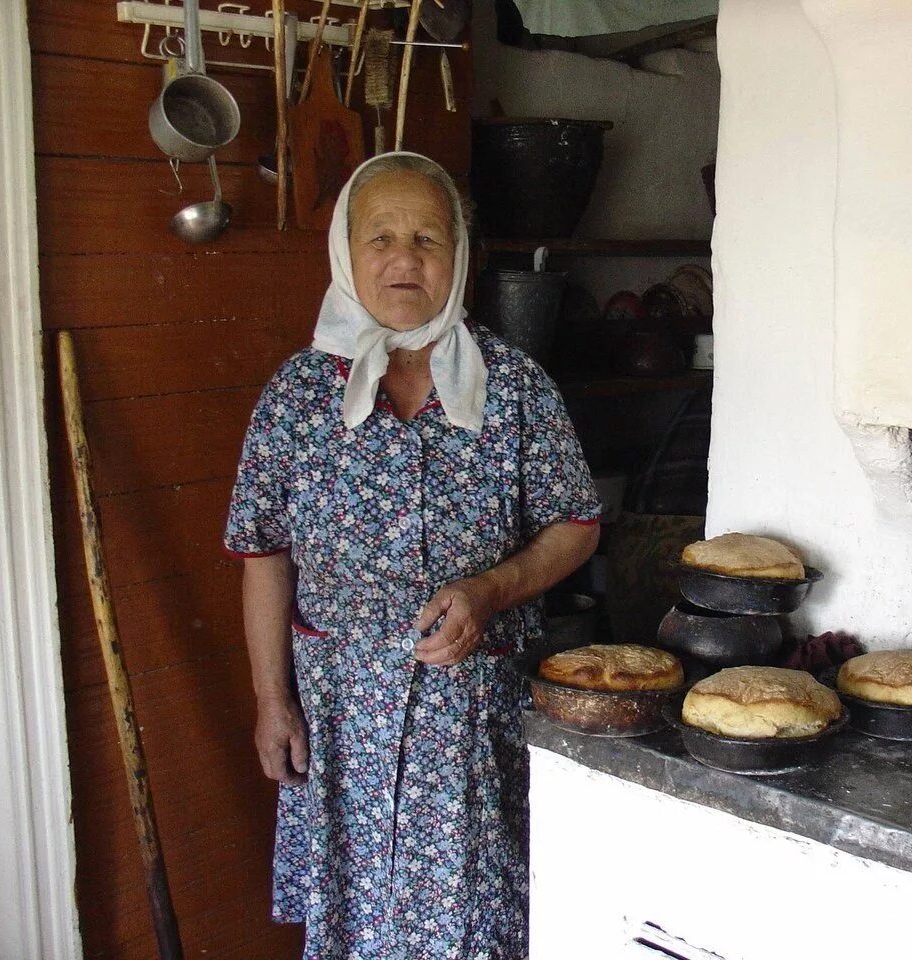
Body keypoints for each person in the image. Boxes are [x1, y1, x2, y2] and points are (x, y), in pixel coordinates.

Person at [224, 151, 601, 960]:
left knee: (475, 926)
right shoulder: (296, 396)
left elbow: (577, 523)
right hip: (338, 720)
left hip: (467, 718)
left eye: (429, 237)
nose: (405, 257)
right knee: (353, 920)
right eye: (381, 236)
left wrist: (494, 590)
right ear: (345, 252)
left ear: (459, 256)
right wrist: (271, 701)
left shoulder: (516, 387)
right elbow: (264, 554)